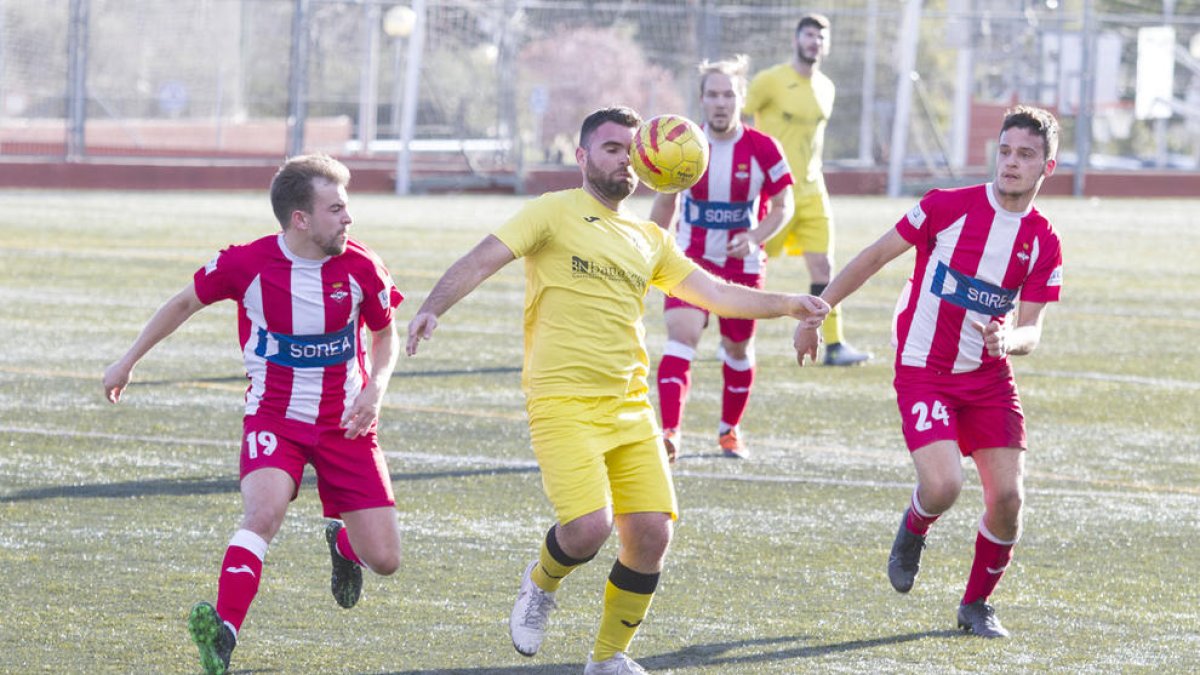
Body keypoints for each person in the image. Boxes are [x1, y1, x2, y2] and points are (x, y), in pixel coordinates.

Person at [406, 106, 828, 674]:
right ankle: (540, 584)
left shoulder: (649, 237)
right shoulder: (552, 212)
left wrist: (787, 303)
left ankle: (607, 658)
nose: (625, 158)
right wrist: (433, 307)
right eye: (611, 148)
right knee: (587, 529)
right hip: (561, 399)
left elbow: (715, 293)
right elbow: (483, 259)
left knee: (652, 533)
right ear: (582, 157)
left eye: (632, 149)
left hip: (630, 404)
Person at [102, 154, 406, 674]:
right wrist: (127, 360)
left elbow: (384, 333)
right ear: (300, 219)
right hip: (274, 419)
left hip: (347, 424)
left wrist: (375, 390)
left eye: (347, 207)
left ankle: (345, 546)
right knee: (262, 515)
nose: (348, 219)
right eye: (336, 209)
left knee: (386, 560)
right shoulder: (247, 264)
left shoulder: (361, 266)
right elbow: (182, 304)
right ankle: (224, 631)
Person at [793, 106, 1064, 638]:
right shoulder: (947, 207)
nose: (1011, 163)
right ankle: (915, 525)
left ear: (1046, 167)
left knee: (1008, 500)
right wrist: (816, 312)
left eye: (1026, 155)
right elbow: (873, 258)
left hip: (988, 378)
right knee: (943, 486)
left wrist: (1009, 339)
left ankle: (976, 606)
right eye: (1005, 151)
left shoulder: (1043, 240)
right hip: (925, 369)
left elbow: (1032, 329)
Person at [650, 55, 795, 461]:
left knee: (736, 349)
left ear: (741, 98)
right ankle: (670, 433)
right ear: (701, 99)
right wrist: (654, 249)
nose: (720, 102)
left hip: (742, 267)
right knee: (681, 337)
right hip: (690, 258)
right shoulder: (685, 146)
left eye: (728, 94)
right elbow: (665, 202)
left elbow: (785, 205)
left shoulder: (763, 147)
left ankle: (729, 431)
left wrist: (754, 237)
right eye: (712, 94)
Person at [744, 12, 872, 366]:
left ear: (826, 46)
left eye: (820, 37)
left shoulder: (827, 87)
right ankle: (734, 338)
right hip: (774, 191)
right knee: (749, 263)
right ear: (796, 40)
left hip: (814, 191)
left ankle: (833, 344)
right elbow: (736, 119)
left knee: (824, 267)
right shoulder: (770, 81)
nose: (814, 41)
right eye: (808, 35)